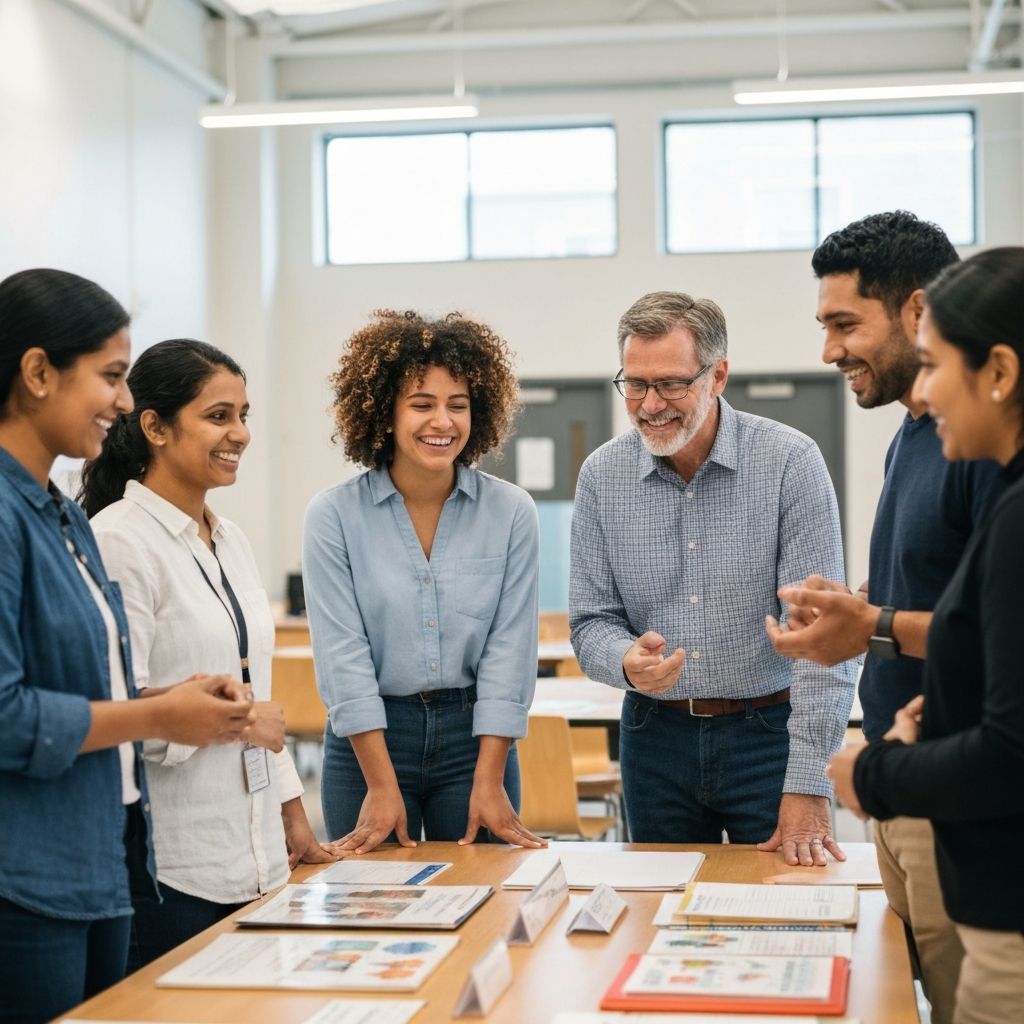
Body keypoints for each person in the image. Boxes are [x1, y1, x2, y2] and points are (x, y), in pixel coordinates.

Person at [766, 211, 1002, 1023]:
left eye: (844, 324)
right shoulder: (913, 432)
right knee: (918, 994)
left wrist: (868, 624)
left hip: (955, 784)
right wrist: (853, 608)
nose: (830, 350)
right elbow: (935, 589)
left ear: (916, 308)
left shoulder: (977, 444)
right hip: (904, 776)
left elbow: (991, 627)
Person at [0, 269, 254, 1024]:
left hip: (103, 865)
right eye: (111, 376)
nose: (121, 398)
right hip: (26, 880)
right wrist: (157, 718)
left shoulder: (64, 516)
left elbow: (96, 690)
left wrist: (171, 707)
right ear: (38, 372)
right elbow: (8, 714)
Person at [79, 339, 338, 969]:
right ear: (154, 426)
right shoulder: (119, 540)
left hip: (258, 860)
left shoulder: (230, 539)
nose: (241, 434)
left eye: (244, 415)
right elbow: (114, 717)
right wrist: (230, 723)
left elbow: (258, 698)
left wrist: (293, 817)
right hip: (176, 870)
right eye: (219, 416)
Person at [569, 290, 854, 864]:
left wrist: (807, 781)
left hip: (769, 735)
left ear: (719, 374)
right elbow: (590, 621)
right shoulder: (602, 475)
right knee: (655, 914)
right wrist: (624, 659)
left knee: (780, 912)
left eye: (672, 383)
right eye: (636, 384)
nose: (651, 404)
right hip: (655, 738)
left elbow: (827, 641)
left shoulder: (790, 463)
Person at [828, 247, 1024, 1024]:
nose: (927, 388)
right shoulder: (933, 448)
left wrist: (871, 774)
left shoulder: (1009, 500)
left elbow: (1011, 749)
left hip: (985, 859)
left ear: (1000, 372)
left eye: (939, 365)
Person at [303, 310, 546, 854]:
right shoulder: (333, 515)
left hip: (476, 741)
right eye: (422, 404)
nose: (443, 421)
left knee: (486, 908)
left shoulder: (511, 512)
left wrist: (489, 778)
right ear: (384, 413)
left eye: (457, 405)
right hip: (369, 743)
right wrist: (382, 783)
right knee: (373, 914)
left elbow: (509, 650)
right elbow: (343, 656)